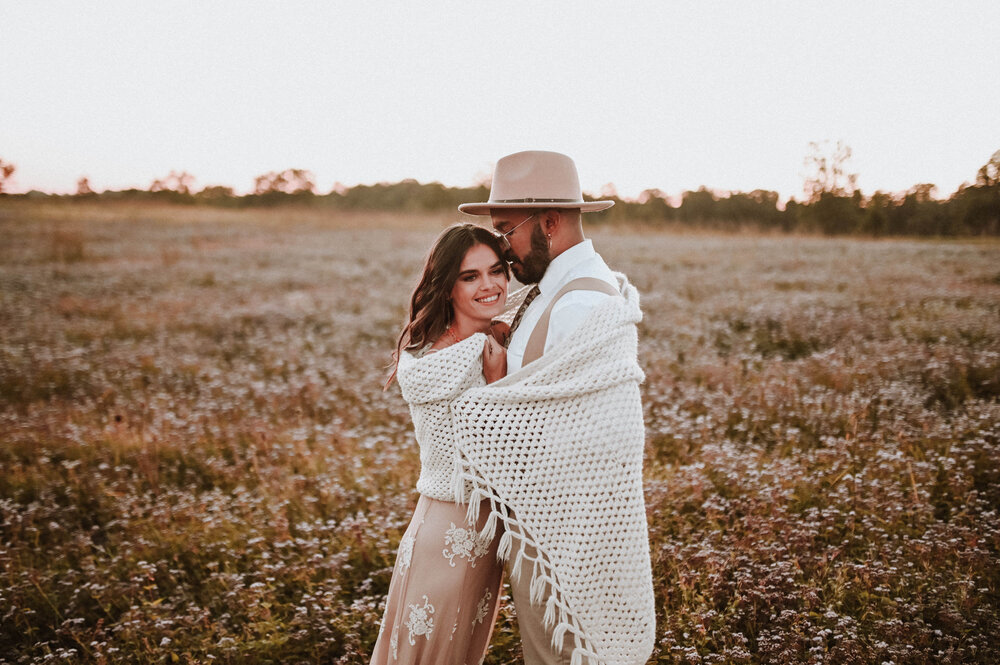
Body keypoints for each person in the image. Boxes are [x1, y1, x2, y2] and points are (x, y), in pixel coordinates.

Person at [451, 151, 656, 665]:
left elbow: (569, 438)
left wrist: (485, 402)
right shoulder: (550, 292)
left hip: (569, 542)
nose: (500, 247)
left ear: (548, 222)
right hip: (547, 532)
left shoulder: (580, 304)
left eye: (505, 231)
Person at [371, 224, 511, 665]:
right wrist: (497, 384)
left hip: (477, 528)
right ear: (447, 286)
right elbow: (491, 452)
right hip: (453, 527)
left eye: (497, 270)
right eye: (470, 276)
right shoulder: (448, 361)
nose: (489, 285)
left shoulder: (485, 340)